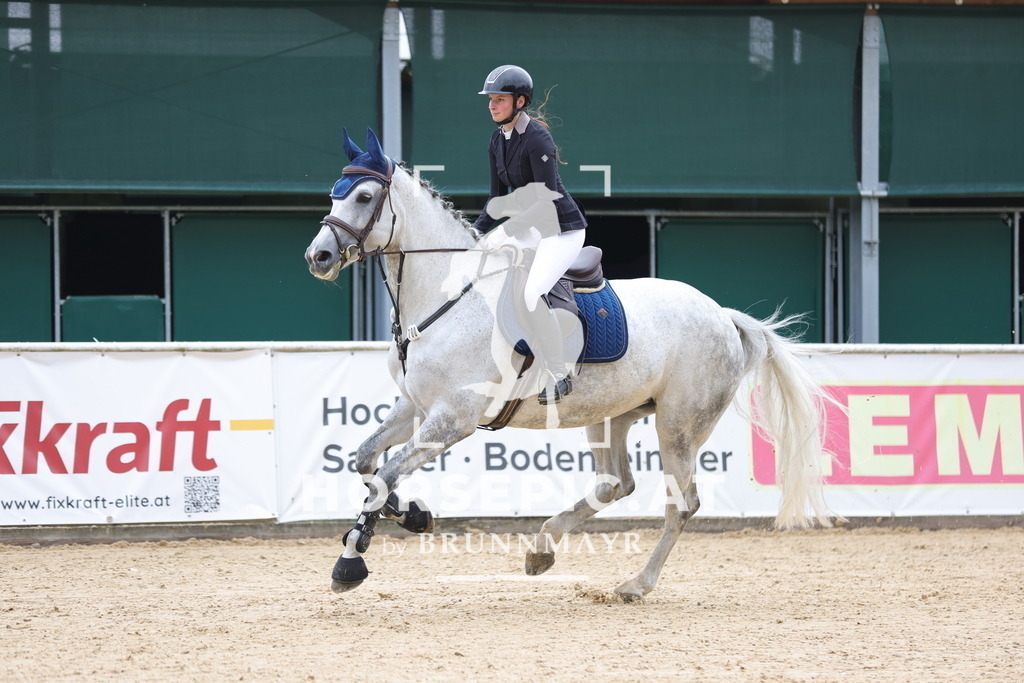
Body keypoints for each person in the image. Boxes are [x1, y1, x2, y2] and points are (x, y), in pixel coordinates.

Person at [474, 64, 587, 405]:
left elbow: (547, 201)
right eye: (490, 100)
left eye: (499, 100)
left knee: (532, 292)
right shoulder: (497, 140)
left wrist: (507, 229)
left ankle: (558, 373)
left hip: (561, 230)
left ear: (520, 101)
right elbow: (498, 199)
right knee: (486, 267)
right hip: (532, 227)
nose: (492, 106)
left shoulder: (538, 138)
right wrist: (475, 232)